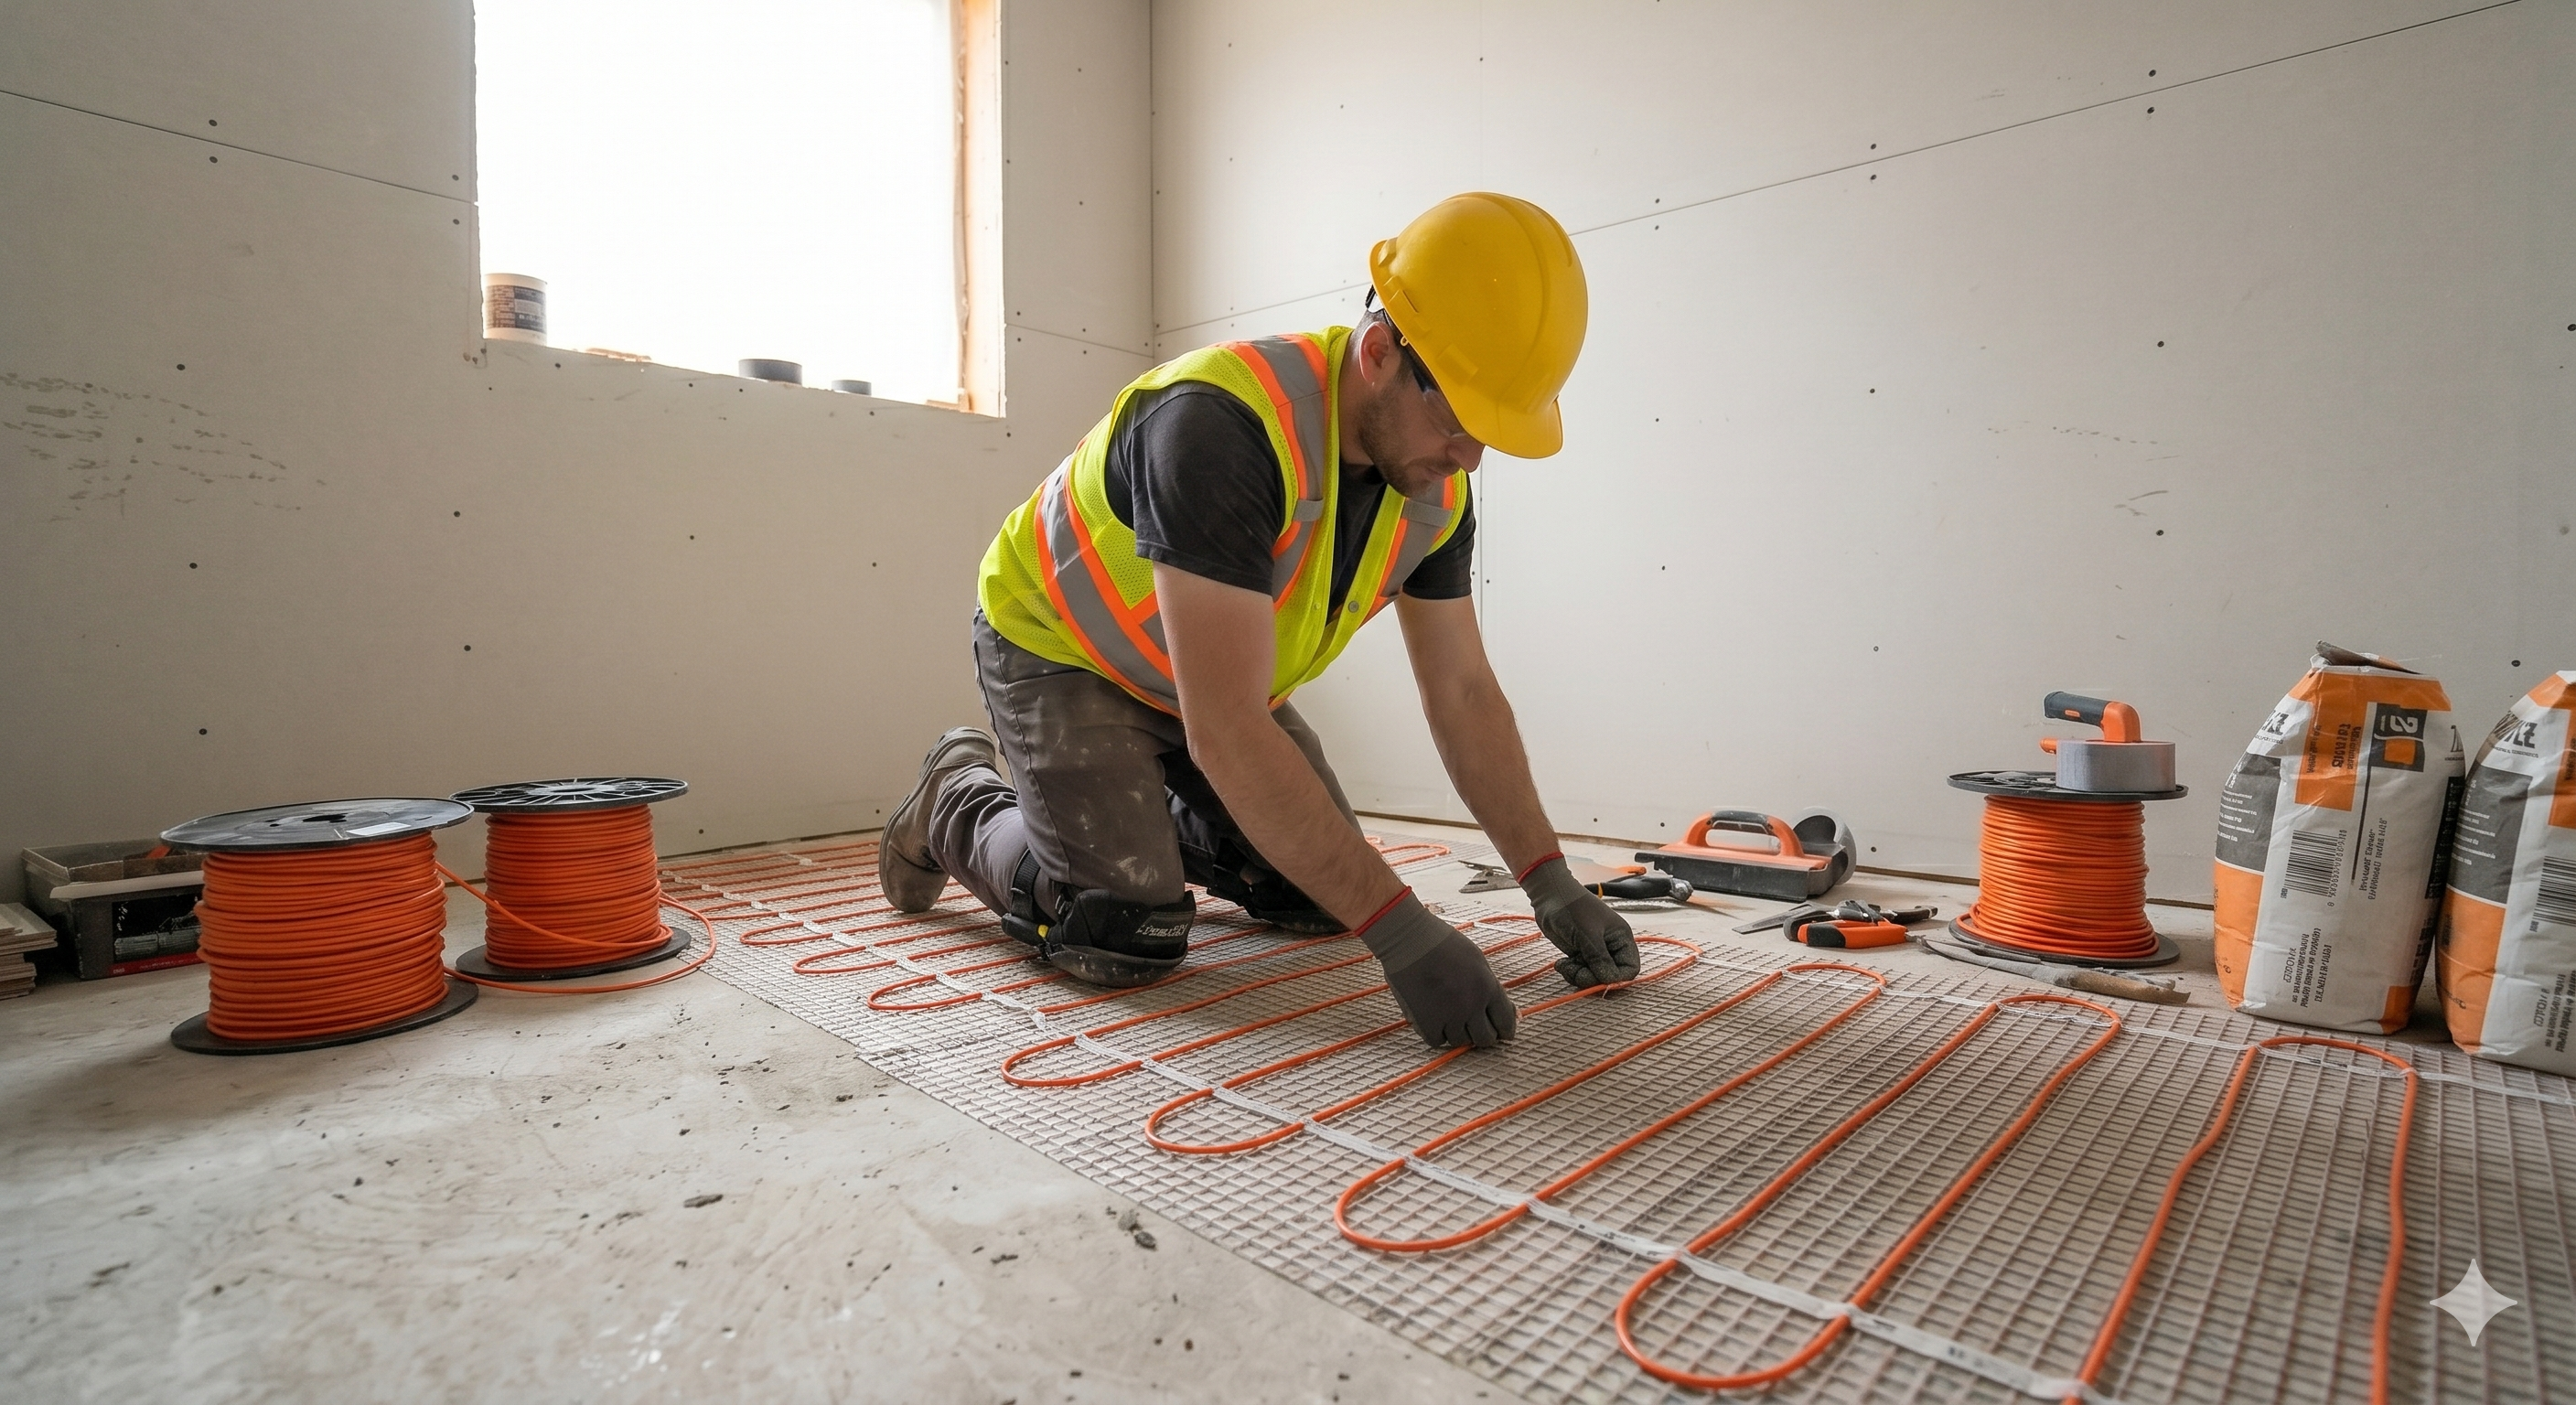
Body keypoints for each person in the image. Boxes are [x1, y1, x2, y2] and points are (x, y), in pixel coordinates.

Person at [876, 192, 1638, 1049]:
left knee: (1322, 895)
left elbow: (1462, 693)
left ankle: (1129, 799)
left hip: (1207, 682)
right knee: (1123, 928)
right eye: (1459, 419)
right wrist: (1403, 937)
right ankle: (959, 796)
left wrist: (1550, 880)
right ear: (1382, 352)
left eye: (1491, 432)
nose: (1468, 457)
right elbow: (1234, 730)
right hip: (1065, 651)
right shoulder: (1219, 426)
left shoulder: (1434, 492)